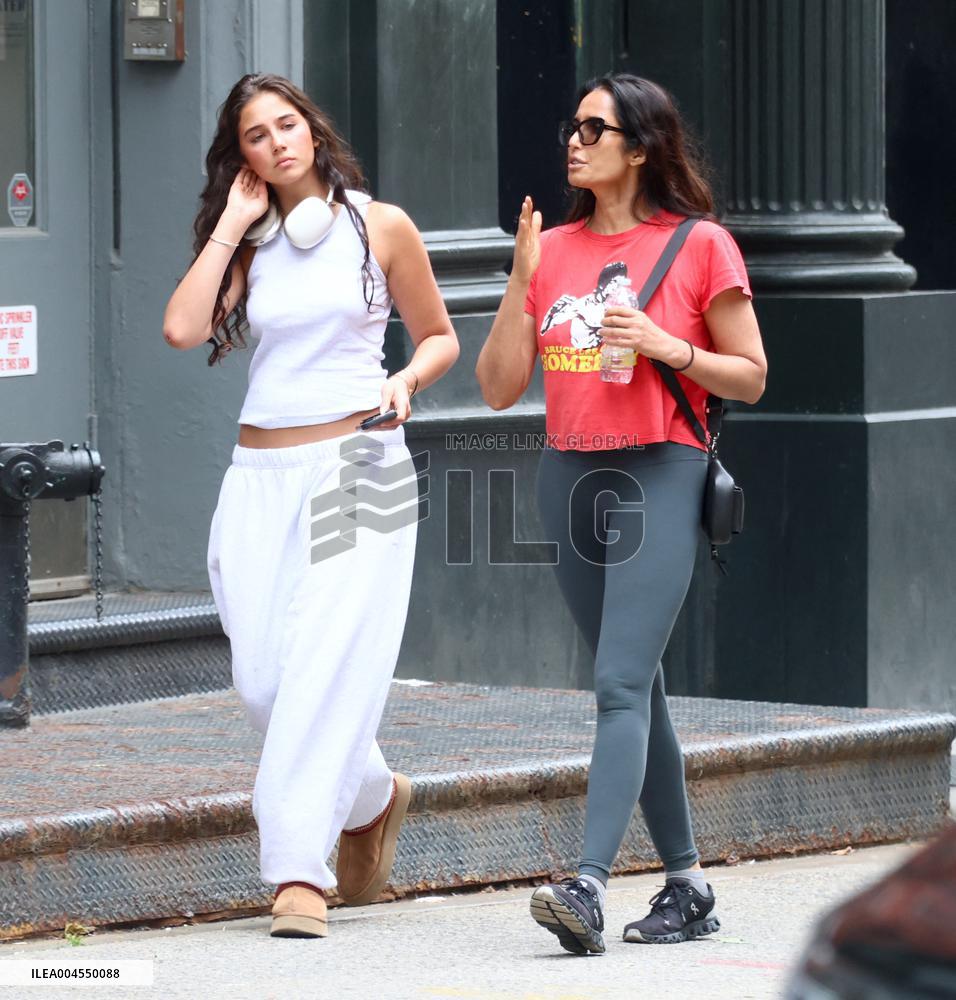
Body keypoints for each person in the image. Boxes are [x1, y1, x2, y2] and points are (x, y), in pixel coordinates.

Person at [162, 73, 459, 939]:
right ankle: (370, 797)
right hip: (258, 477)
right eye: (256, 136)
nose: (277, 143)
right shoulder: (249, 243)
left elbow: (439, 336)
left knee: (326, 666)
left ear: (313, 130)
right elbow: (182, 329)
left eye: (286, 125)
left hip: (360, 461)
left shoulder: (380, 225)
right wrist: (228, 226)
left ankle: (299, 871)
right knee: (263, 681)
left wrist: (405, 379)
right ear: (242, 156)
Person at [476, 73, 766, 955]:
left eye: (594, 128)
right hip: (568, 477)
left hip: (661, 472)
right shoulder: (554, 248)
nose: (574, 140)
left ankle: (588, 887)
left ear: (640, 147)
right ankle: (688, 886)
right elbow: (495, 389)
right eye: (572, 126)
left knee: (615, 684)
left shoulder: (700, 244)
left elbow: (750, 375)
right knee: (636, 686)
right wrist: (521, 279)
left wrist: (665, 345)